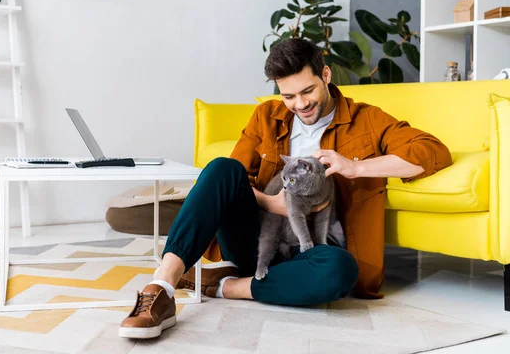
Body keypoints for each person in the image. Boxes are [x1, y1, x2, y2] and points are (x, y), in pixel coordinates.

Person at [118, 38, 453, 339]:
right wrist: (272, 203)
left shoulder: (366, 120)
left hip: (309, 253)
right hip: (255, 240)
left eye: (307, 91)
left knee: (341, 270)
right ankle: (161, 288)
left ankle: (226, 286)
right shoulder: (267, 115)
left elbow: (431, 152)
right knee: (221, 168)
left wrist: (356, 166)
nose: (300, 104)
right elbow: (234, 183)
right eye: (288, 95)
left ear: (325, 75)